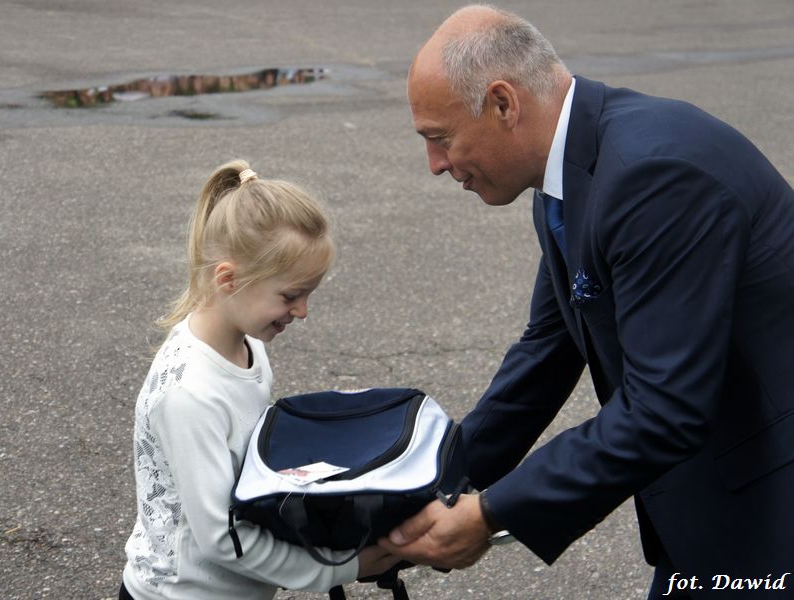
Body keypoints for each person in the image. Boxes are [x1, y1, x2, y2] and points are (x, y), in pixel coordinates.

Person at [380, 4, 794, 598]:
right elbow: (546, 353)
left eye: (440, 138)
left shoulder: (652, 178)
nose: (435, 165)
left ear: (503, 104)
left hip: (769, 509)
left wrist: (490, 514)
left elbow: (663, 409)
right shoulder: (572, 171)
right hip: (715, 502)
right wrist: (428, 487)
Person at [120, 160, 398, 600]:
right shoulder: (189, 394)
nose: (303, 311)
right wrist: (342, 566)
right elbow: (221, 537)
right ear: (228, 279)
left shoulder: (249, 346)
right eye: (291, 295)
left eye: (309, 294)